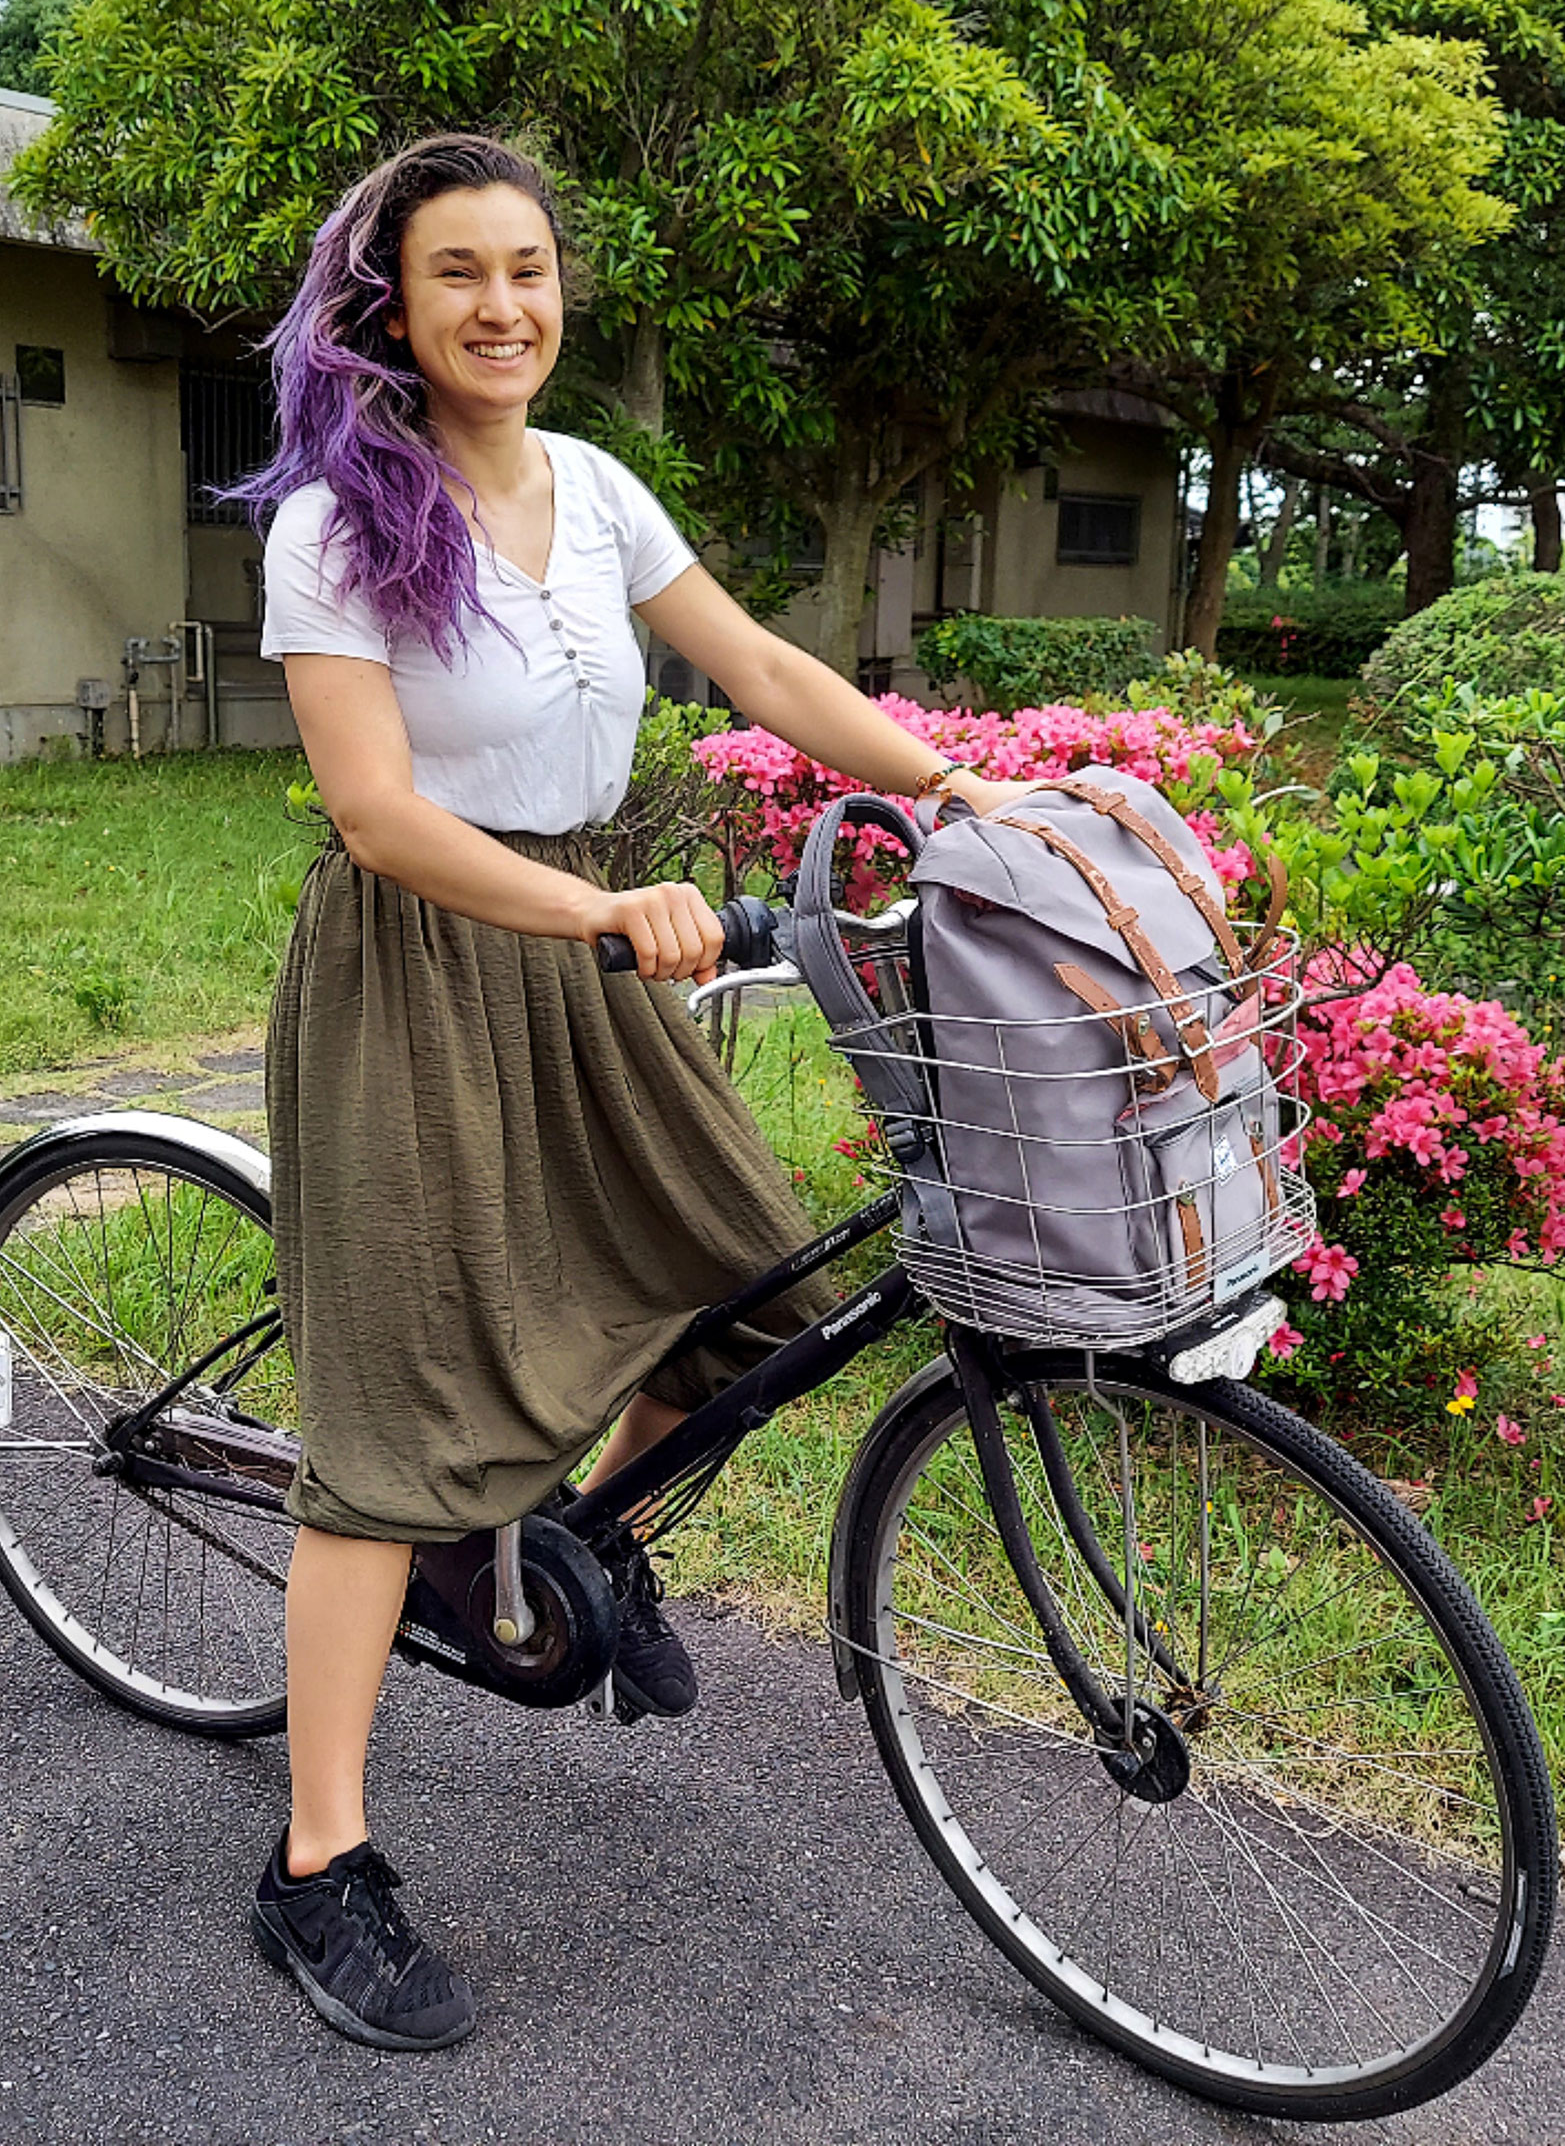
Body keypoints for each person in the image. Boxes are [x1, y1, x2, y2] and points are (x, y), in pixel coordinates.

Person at [243, 132, 1035, 2052]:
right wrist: (599, 908)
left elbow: (759, 663)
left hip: (592, 959)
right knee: (406, 1408)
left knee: (742, 1289)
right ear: (394, 305)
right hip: (426, 967)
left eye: (528, 268)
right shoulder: (337, 522)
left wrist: (959, 787)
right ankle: (317, 1864)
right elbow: (375, 813)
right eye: (458, 274)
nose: (503, 304)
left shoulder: (591, 487)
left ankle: (572, 1549)